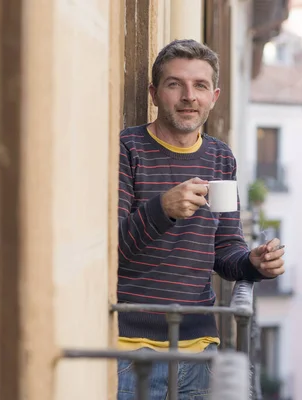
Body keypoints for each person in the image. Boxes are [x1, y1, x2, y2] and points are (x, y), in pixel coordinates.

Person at [116, 39, 285, 400]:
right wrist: (163, 208)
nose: (188, 96)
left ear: (214, 96)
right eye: (175, 84)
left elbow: (226, 248)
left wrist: (252, 263)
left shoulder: (220, 157)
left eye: (200, 86)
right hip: (129, 350)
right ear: (155, 92)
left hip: (199, 348)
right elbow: (113, 247)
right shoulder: (127, 148)